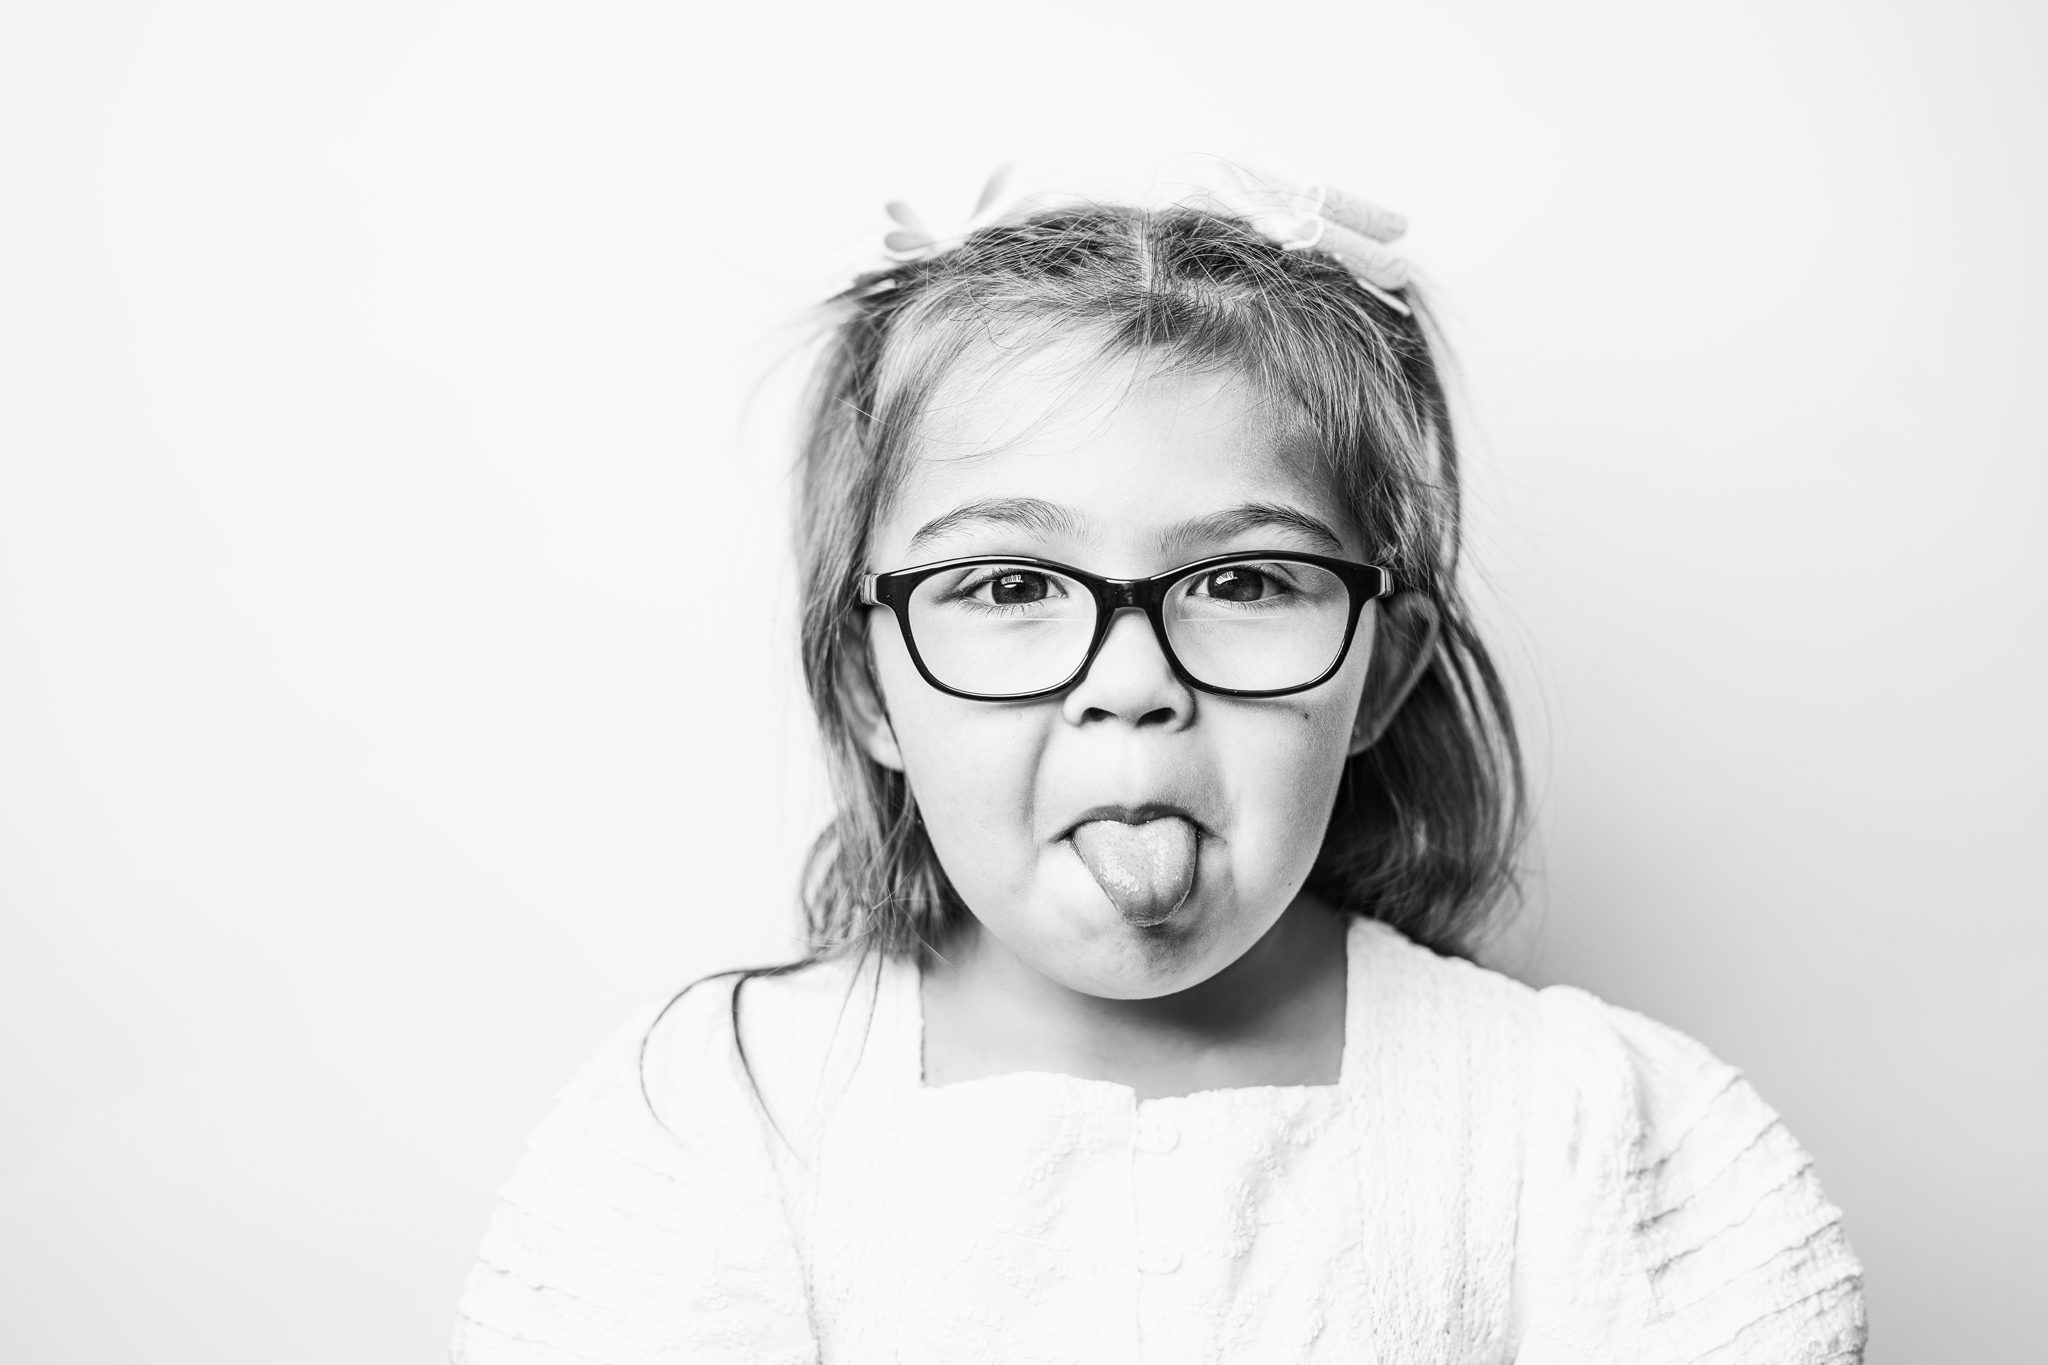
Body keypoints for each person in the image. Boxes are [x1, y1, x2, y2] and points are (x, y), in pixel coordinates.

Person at [450, 164, 1868, 1363]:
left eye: (1245, 582)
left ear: (1381, 667)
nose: (1132, 687)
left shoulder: (1599, 1140)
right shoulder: (713, 1130)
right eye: (1007, 586)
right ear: (866, 683)